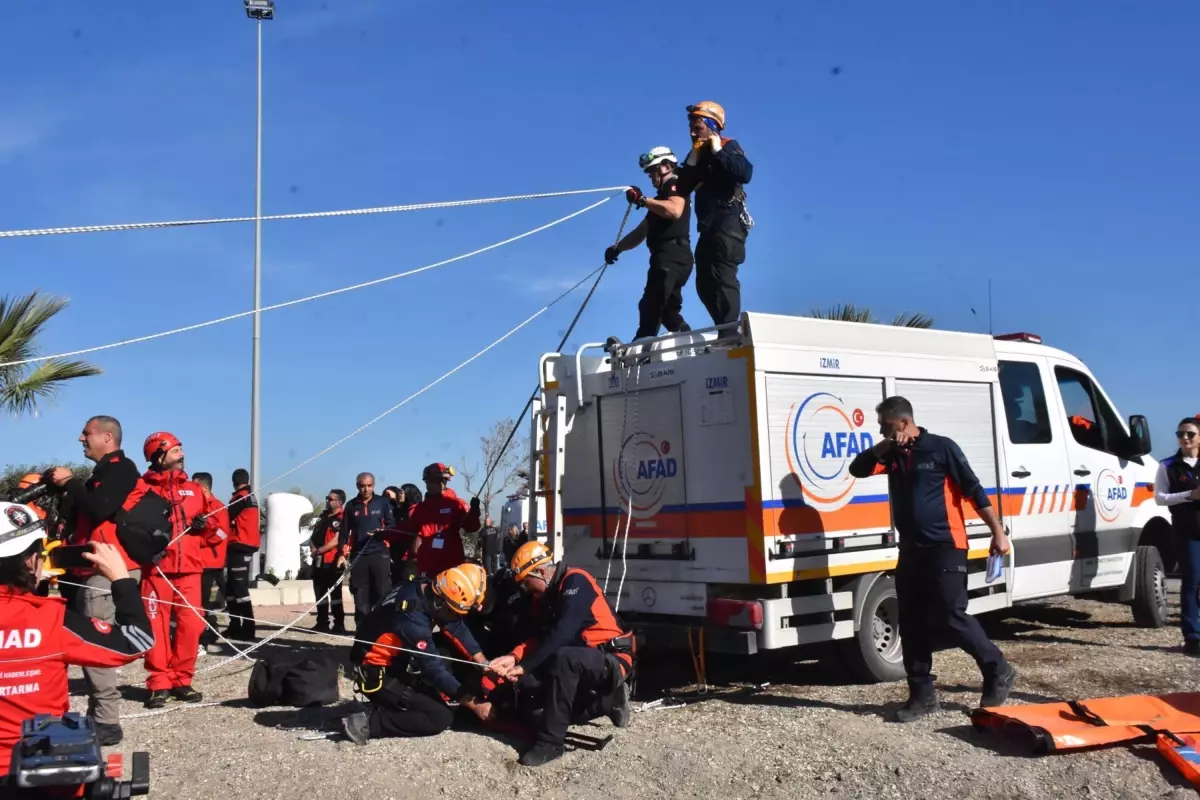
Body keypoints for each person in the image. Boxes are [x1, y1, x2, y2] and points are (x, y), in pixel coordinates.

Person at [848, 396, 1015, 721]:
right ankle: (922, 695)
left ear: (903, 422)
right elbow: (858, 468)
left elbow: (973, 490)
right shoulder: (892, 455)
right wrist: (885, 447)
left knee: (951, 615)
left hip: (946, 546)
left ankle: (999, 670)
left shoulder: (941, 448)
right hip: (911, 550)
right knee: (910, 621)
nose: (881, 430)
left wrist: (998, 531)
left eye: (885, 424)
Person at [0, 503, 154, 779]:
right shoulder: (51, 620)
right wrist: (121, 579)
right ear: (29, 561)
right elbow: (137, 639)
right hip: (38, 772)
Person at [487, 541, 635, 767]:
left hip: (612, 658)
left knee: (564, 659)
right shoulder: (546, 596)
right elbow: (539, 637)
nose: (526, 589)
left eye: (526, 582)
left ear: (541, 571)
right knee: (535, 703)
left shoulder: (576, 581)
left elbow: (562, 632)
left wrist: (526, 665)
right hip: (583, 659)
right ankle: (607, 701)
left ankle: (552, 743)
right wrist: (514, 657)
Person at [46, 415, 140, 746]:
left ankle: (106, 722)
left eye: (86, 433)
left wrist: (72, 483)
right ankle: (99, 714)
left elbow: (101, 508)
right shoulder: (101, 473)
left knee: (96, 645)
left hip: (108, 572)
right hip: (90, 570)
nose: (80, 439)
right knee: (87, 644)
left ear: (107, 437)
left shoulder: (122, 469)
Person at [341, 563, 494, 744]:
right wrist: (476, 705)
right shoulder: (412, 622)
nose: (456, 616)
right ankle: (368, 723)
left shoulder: (425, 587)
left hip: (397, 659)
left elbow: (456, 626)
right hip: (376, 674)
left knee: (443, 663)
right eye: (454, 611)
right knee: (439, 717)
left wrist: (484, 663)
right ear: (441, 603)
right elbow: (435, 670)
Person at [138, 432, 228, 709]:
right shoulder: (141, 490)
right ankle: (158, 683)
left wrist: (206, 527)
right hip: (156, 572)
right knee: (156, 629)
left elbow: (220, 534)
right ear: (159, 455)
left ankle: (182, 680)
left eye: (181, 449)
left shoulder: (195, 491)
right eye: (176, 449)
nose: (182, 454)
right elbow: (127, 528)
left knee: (191, 626)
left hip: (190, 571)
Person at [674, 100, 754, 333]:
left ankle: (729, 334)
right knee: (704, 283)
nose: (691, 132)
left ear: (712, 125)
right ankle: (726, 330)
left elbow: (745, 172)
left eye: (697, 127)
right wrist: (690, 163)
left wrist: (718, 150)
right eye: (690, 127)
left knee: (723, 278)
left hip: (728, 224)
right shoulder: (699, 155)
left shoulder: (728, 146)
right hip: (709, 229)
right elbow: (682, 189)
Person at [605, 147, 694, 340]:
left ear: (667, 166)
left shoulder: (675, 184)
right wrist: (617, 248)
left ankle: (641, 347)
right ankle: (691, 340)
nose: (651, 177)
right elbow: (641, 232)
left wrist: (642, 200)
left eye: (653, 170)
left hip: (671, 255)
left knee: (652, 304)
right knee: (668, 311)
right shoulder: (660, 201)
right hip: (673, 256)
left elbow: (675, 210)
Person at [386, 463, 481, 581]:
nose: (429, 485)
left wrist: (474, 512)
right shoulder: (420, 508)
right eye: (428, 482)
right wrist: (385, 533)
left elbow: (471, 527)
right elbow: (408, 528)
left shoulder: (457, 504)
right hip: (427, 561)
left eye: (434, 481)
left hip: (451, 559)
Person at [1155, 416, 1200, 657]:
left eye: (1190, 434)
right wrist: (1189, 495)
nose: (1185, 438)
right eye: (1181, 433)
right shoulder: (1169, 465)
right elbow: (1160, 497)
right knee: (1192, 582)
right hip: (1187, 531)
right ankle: (1193, 637)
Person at [339, 471, 395, 627]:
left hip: (380, 554)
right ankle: (362, 630)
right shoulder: (351, 505)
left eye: (369, 486)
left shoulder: (383, 503)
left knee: (382, 593)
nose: (366, 489)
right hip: (359, 555)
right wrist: (341, 554)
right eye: (363, 486)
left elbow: (392, 526)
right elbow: (344, 533)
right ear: (357, 486)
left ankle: (384, 630)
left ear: (374, 486)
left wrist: (381, 533)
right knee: (360, 594)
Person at [191, 472, 230, 651]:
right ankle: (207, 632)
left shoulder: (219, 508)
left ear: (205, 488)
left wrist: (203, 538)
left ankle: (205, 637)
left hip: (211, 562)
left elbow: (222, 534)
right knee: (200, 602)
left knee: (206, 602)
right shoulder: (196, 507)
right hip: (198, 561)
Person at [224, 468, 261, 641]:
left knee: (240, 589)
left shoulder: (241, 497)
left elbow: (225, 516)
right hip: (239, 545)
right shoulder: (249, 496)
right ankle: (234, 626)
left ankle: (248, 629)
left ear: (234, 481)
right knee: (231, 589)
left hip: (241, 545)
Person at [309, 489, 348, 634]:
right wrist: (313, 547)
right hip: (318, 560)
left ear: (338, 502)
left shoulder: (341, 518)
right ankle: (322, 622)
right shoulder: (324, 515)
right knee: (320, 592)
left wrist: (319, 550)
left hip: (331, 560)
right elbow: (315, 533)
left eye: (330, 499)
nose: (327, 500)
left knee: (335, 595)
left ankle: (339, 624)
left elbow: (336, 540)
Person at [383, 484, 422, 584]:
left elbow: (407, 529)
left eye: (402, 492)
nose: (399, 495)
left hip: (409, 558)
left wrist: (386, 533)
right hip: (401, 557)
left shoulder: (415, 510)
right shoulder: (406, 509)